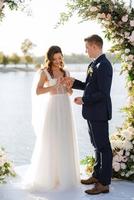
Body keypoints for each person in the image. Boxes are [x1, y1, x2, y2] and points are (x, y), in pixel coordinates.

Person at [23, 45, 80, 191]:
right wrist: (53, 87)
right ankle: (50, 176)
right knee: (52, 138)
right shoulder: (44, 72)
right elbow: (38, 91)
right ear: (50, 58)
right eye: (54, 58)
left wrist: (68, 87)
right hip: (53, 107)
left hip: (65, 107)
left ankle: (65, 175)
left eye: (59, 57)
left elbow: (69, 92)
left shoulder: (65, 71)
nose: (57, 60)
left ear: (62, 57)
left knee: (65, 138)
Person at [65, 34, 113, 195]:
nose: (86, 51)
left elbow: (103, 93)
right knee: (96, 145)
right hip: (93, 113)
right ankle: (96, 175)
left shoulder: (104, 65)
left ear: (94, 46)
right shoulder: (94, 64)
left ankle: (104, 183)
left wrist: (84, 100)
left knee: (103, 147)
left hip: (99, 113)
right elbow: (89, 86)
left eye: (87, 48)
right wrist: (74, 82)